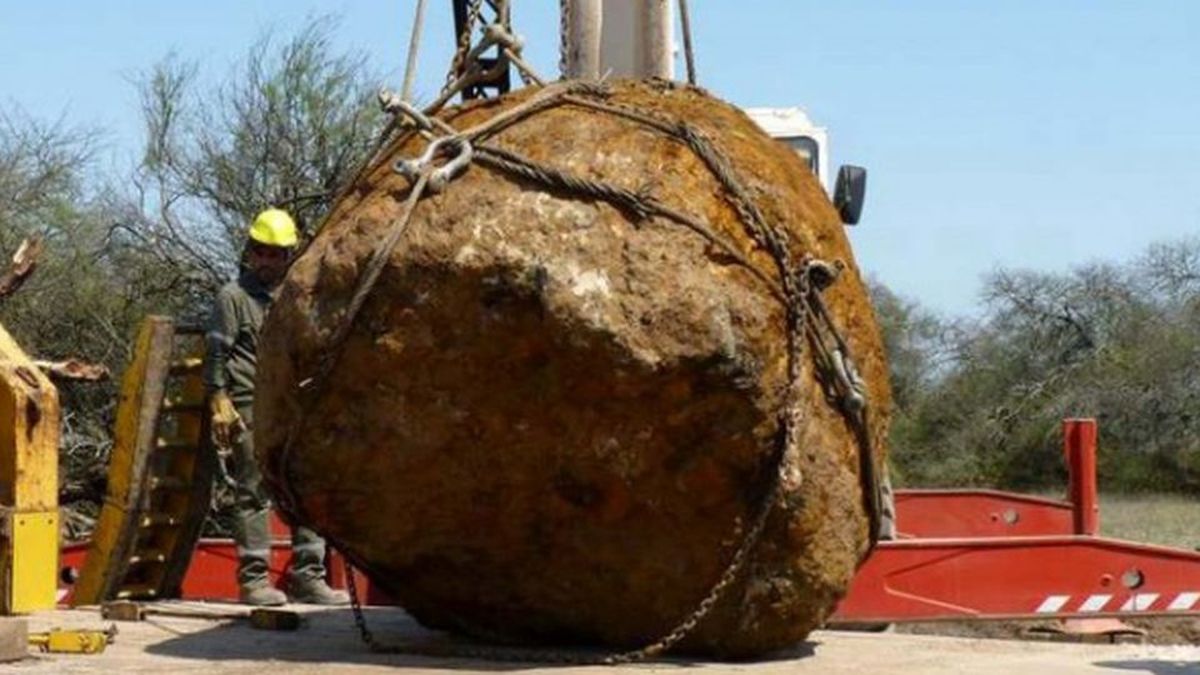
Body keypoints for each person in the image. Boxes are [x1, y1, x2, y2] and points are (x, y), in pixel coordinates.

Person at [203, 208, 349, 606]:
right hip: (250, 405)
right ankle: (253, 581)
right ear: (250, 252)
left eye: (275, 254)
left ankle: (308, 576)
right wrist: (218, 398)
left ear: (289, 255)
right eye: (261, 252)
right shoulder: (233, 298)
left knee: (303, 485)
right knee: (252, 491)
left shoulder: (296, 295)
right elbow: (217, 352)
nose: (267, 261)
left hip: (292, 406)